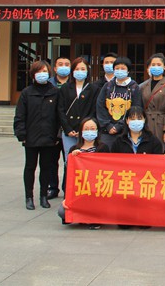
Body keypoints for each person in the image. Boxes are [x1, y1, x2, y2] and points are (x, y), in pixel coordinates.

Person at [13, 60, 61, 210]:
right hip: (31, 137)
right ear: (33, 74)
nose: (42, 74)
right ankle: (29, 197)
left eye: (45, 71)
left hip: (49, 137)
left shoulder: (54, 92)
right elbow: (20, 115)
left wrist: (57, 135)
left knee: (46, 168)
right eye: (39, 72)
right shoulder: (27, 93)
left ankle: (43, 196)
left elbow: (59, 115)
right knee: (30, 167)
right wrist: (21, 134)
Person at [58, 57, 100, 193]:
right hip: (69, 132)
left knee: (86, 161)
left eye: (83, 69)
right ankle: (68, 189)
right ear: (72, 71)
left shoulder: (93, 89)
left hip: (86, 132)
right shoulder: (65, 88)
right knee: (70, 160)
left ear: (87, 71)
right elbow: (60, 110)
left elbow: (93, 110)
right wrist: (68, 129)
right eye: (77, 69)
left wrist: (82, 129)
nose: (80, 71)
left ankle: (86, 188)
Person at [57, 117, 109, 227]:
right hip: (80, 193)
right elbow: (68, 177)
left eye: (92, 128)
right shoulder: (74, 149)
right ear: (81, 131)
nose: (89, 131)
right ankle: (84, 216)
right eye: (86, 129)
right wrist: (67, 198)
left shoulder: (103, 148)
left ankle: (90, 217)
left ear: (97, 131)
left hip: (96, 192)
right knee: (62, 212)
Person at [95, 56, 141, 149]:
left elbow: (136, 109)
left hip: (126, 131)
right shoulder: (108, 86)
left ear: (128, 71)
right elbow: (100, 106)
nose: (119, 71)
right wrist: (108, 125)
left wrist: (119, 126)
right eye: (117, 68)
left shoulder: (134, 87)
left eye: (123, 68)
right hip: (107, 131)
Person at [46, 55, 72, 197]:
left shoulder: (74, 84)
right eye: (60, 64)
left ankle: (67, 187)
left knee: (69, 160)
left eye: (67, 64)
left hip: (69, 129)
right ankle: (52, 187)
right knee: (51, 160)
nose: (63, 67)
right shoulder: (48, 84)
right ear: (55, 68)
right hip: (52, 128)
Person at [139, 53, 165, 143]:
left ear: (164, 67)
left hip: (160, 124)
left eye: (159, 65)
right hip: (146, 124)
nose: (156, 67)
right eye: (153, 65)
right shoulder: (142, 86)